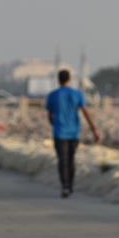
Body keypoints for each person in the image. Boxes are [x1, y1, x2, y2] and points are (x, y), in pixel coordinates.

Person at [45, 69, 100, 198]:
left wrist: (54, 124)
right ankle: (70, 185)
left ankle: (65, 186)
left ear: (58, 80)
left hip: (59, 132)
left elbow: (50, 115)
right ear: (69, 79)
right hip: (74, 132)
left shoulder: (53, 95)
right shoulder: (77, 94)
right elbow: (86, 113)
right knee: (71, 159)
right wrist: (94, 130)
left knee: (62, 160)